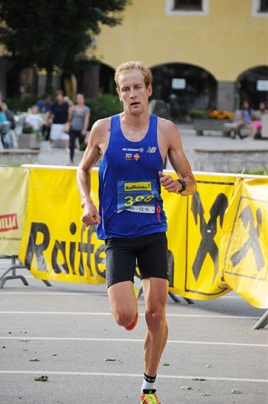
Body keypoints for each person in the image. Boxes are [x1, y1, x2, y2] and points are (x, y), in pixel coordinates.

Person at [76, 61, 196, 404]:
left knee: (157, 313)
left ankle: (149, 386)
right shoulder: (102, 129)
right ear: (120, 95)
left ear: (148, 90)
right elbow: (82, 170)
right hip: (117, 236)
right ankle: (128, 310)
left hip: (153, 231)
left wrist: (179, 184)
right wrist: (87, 203)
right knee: (125, 316)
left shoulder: (166, 131)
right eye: (125, 89)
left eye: (137, 87)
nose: (132, 94)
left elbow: (191, 184)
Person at [67, 93, 91, 164]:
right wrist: (70, 113)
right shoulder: (73, 108)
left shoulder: (86, 109)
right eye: (78, 98)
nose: (79, 100)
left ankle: (83, 160)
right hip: (73, 128)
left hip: (81, 129)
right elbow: (69, 119)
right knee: (71, 144)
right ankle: (71, 159)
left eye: (81, 98)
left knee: (82, 145)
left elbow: (86, 120)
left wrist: (84, 129)